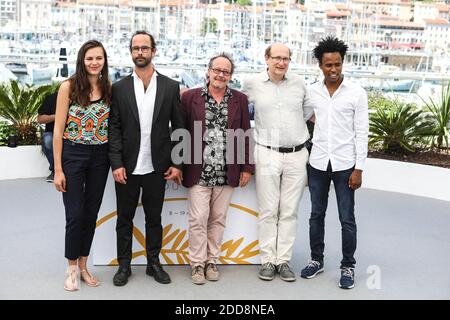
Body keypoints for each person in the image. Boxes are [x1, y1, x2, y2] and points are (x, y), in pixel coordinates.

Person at [108, 30, 185, 286]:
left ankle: (154, 263)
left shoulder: (170, 86)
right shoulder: (118, 88)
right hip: (127, 168)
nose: (139, 52)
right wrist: (116, 163)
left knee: (155, 219)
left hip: (158, 167)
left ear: (154, 50)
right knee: (124, 219)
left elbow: (180, 127)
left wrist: (177, 163)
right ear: (131, 52)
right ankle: (124, 266)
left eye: (144, 48)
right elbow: (114, 129)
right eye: (135, 48)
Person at [300, 36, 368, 289]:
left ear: (342, 63)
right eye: (328, 65)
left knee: (346, 218)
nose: (333, 70)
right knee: (316, 215)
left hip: (345, 165)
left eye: (337, 64)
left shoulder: (356, 93)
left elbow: (362, 132)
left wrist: (359, 167)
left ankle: (347, 265)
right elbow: (303, 116)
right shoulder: (312, 91)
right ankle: (316, 260)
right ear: (320, 65)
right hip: (317, 162)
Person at [241, 43, 313, 282]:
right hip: (266, 152)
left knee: (289, 211)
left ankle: (283, 261)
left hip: (297, 154)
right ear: (266, 58)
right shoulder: (252, 84)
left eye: (286, 58)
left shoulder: (299, 83)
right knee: (268, 210)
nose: (281, 63)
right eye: (277, 58)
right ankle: (268, 261)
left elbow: (307, 111)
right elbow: (238, 108)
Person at [181, 53, 254, 285]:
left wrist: (247, 167)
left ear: (230, 76)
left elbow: (245, 134)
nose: (221, 75)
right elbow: (179, 133)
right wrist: (176, 165)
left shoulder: (239, 99)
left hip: (227, 169)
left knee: (218, 219)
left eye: (226, 72)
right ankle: (197, 264)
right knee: (198, 218)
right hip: (197, 169)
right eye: (217, 70)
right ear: (208, 71)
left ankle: (212, 261)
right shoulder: (190, 97)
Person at [53, 40, 112, 291]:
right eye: (90, 58)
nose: (94, 62)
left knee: (91, 213)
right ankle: (71, 267)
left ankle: (85, 265)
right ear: (82, 60)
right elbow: (57, 130)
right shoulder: (68, 87)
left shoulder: (108, 87)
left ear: (104, 61)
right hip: (73, 154)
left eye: (99, 58)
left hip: (101, 156)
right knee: (75, 214)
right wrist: (58, 169)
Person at [37, 91, 57, 182]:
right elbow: (40, 119)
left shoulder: (80, 98)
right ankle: (55, 170)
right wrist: (57, 116)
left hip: (74, 134)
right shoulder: (52, 98)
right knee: (48, 139)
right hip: (54, 133)